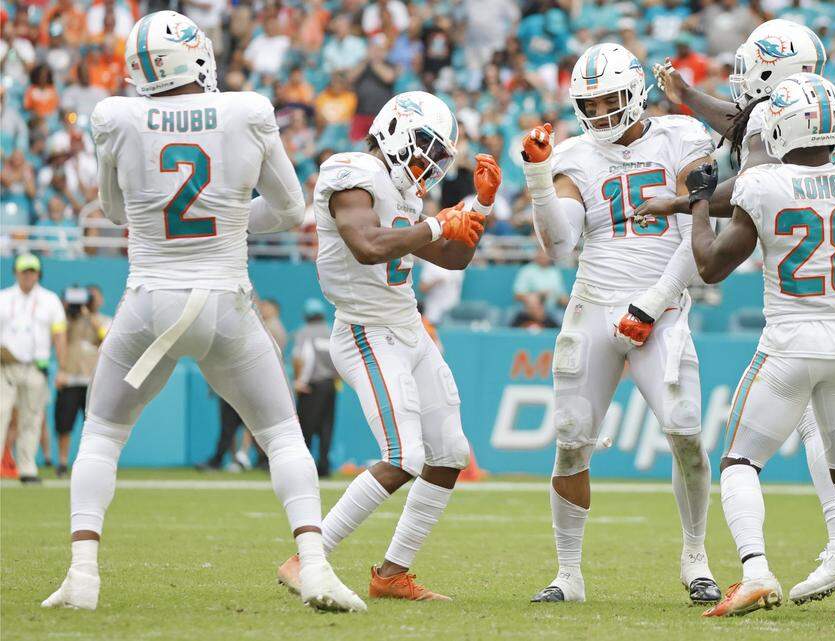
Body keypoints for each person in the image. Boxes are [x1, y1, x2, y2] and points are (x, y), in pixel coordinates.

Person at [40, 11, 363, 613]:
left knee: (102, 437)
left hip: (146, 303)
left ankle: (83, 573)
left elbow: (112, 212)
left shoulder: (117, 118)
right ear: (194, 56)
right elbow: (291, 211)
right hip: (226, 302)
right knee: (283, 436)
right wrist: (232, 221)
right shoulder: (247, 111)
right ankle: (315, 567)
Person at [650, 20, 835, 610]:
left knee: (752, 454)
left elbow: (732, 213)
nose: (740, 83)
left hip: (799, 323)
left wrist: (688, 201)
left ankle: (810, 554)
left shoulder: (768, 173)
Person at [276, 91, 499, 602]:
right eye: (425, 146)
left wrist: (480, 207)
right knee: (404, 455)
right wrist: (439, 222)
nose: (429, 162)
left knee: (449, 454)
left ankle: (392, 574)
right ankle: (305, 558)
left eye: (438, 155)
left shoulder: (406, 191)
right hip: (365, 329)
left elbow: (453, 259)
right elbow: (367, 244)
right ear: (394, 129)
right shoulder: (351, 171)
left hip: (407, 326)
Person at [523, 43, 721, 606]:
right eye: (591, 101)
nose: (602, 110)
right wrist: (539, 179)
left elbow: (695, 235)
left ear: (635, 89)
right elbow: (560, 245)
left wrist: (653, 305)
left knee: (685, 432)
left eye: (610, 97)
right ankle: (568, 574)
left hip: (661, 306)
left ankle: (695, 558)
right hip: (593, 301)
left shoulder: (680, 136)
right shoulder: (574, 154)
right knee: (569, 441)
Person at [0, 254, 67, 484]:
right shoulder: (3, 298)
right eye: (24, 271)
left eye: (32, 271)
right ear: (16, 273)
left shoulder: (50, 300)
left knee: (32, 418)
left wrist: (62, 368)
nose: (28, 275)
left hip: (36, 367)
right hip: (5, 366)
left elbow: (59, 335)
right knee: (1, 414)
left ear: (38, 273)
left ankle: (27, 469)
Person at [54, 286, 107, 477]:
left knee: (94, 427)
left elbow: (106, 338)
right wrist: (68, 310)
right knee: (64, 424)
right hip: (70, 379)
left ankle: (92, 464)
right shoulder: (69, 320)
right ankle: (61, 463)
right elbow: (59, 337)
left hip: (93, 381)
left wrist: (88, 315)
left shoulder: (102, 320)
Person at [292, 298, 337, 477]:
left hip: (311, 386)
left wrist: (300, 381)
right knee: (326, 427)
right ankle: (324, 466)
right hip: (330, 385)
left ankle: (304, 468)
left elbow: (302, 357)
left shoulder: (305, 333)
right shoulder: (330, 332)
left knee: (306, 428)